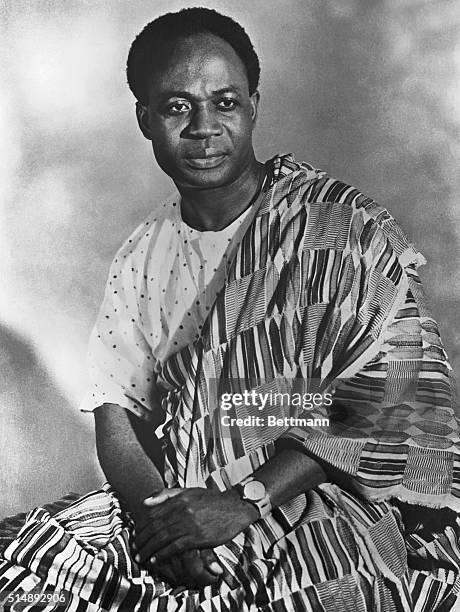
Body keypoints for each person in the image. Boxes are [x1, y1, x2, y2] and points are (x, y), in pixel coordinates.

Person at [1, 7, 460, 611]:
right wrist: (161, 526)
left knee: (335, 591)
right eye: (176, 107)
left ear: (253, 107)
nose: (204, 128)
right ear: (145, 119)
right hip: (181, 496)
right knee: (24, 567)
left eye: (225, 103)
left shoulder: (340, 228)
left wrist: (245, 502)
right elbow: (116, 418)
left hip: (317, 493)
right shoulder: (142, 258)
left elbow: (391, 393)